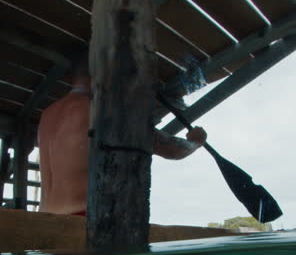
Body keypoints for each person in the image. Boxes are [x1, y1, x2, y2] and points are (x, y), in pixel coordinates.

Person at [38, 56, 208, 216]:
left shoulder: (47, 114)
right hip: (86, 220)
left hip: (46, 221)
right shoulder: (103, 112)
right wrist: (196, 142)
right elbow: (172, 150)